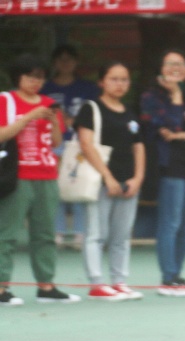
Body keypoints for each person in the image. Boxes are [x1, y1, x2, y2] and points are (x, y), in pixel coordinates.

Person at [0, 53, 81, 306]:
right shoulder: (6, 100)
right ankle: (1, 286)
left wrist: (54, 121)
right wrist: (29, 117)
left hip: (47, 174)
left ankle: (46, 285)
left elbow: (55, 142)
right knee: (7, 233)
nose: (36, 81)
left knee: (45, 234)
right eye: (30, 76)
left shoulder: (49, 103)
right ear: (18, 77)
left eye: (40, 77)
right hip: (17, 175)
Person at [75, 61, 145, 301]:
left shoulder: (129, 112)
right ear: (102, 82)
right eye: (114, 79)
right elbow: (86, 144)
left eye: (124, 79)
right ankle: (96, 283)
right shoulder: (91, 108)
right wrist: (108, 176)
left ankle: (119, 281)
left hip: (128, 182)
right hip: (100, 181)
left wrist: (138, 178)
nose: (119, 84)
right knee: (96, 233)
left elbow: (139, 146)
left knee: (121, 236)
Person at [140, 49, 185, 297]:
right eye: (170, 64)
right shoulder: (151, 97)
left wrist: (181, 135)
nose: (176, 68)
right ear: (161, 69)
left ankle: (177, 275)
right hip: (170, 165)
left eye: (180, 64)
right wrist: (176, 97)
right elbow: (169, 125)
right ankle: (168, 277)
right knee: (171, 222)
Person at [41, 45, 100, 251]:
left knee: (79, 186)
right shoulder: (45, 88)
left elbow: (95, 113)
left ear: (76, 62)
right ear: (54, 62)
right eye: (61, 59)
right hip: (53, 143)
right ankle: (57, 231)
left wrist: (74, 121)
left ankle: (79, 232)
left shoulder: (88, 88)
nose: (65, 63)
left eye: (69, 59)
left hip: (79, 143)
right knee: (56, 189)